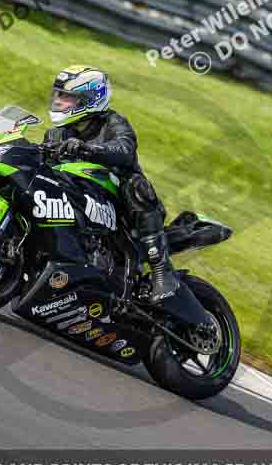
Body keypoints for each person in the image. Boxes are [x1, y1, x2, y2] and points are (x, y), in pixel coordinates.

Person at [43, 65, 178, 303]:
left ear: (90, 99)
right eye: (58, 95)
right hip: (78, 202)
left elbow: (124, 149)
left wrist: (88, 149)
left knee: (137, 187)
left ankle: (162, 271)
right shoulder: (56, 134)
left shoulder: (114, 123)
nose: (59, 101)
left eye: (67, 97)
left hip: (122, 209)